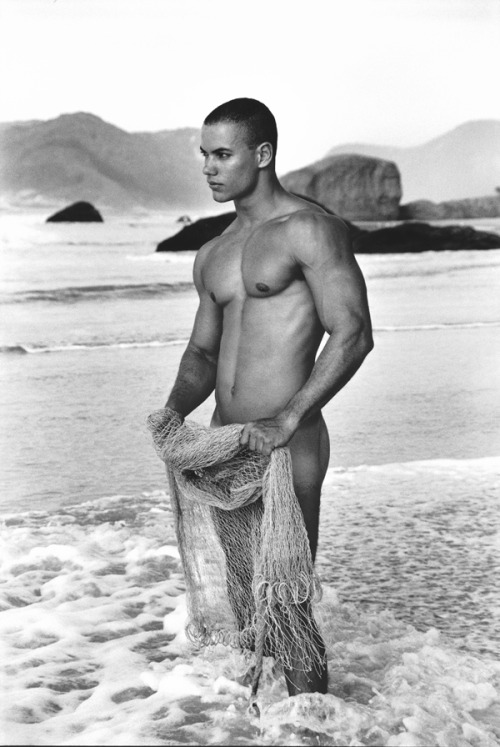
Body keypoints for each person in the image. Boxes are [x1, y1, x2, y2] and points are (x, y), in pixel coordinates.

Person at [164, 97, 374, 696]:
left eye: (222, 154)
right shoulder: (213, 252)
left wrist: (288, 417)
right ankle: (268, 722)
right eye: (204, 155)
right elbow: (202, 354)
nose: (209, 167)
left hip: (288, 444)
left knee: (286, 607)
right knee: (246, 604)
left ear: (262, 154)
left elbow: (353, 333)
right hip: (227, 445)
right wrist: (172, 412)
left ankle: (316, 728)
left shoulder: (308, 229)